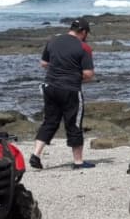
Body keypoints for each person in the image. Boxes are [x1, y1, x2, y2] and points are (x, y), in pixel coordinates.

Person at [30, 18, 96, 169]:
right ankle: (78, 161)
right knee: (74, 123)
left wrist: (58, 69)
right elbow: (88, 73)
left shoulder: (53, 41)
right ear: (84, 32)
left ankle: (36, 154)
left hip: (50, 86)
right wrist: (74, 75)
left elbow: (44, 63)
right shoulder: (84, 47)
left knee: (50, 121)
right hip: (70, 89)